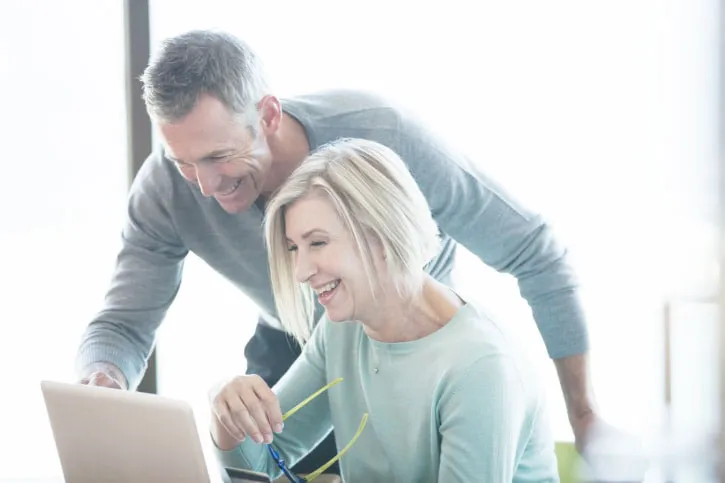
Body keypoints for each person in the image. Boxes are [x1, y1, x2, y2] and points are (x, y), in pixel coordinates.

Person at [75, 29, 597, 473]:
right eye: (184, 162)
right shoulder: (170, 190)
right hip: (319, 332)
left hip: (419, 334)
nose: (204, 187)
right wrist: (131, 391)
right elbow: (124, 327)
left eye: (218, 156)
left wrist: (583, 414)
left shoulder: (386, 136)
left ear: (269, 115)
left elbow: (535, 252)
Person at [209, 137, 560, 482]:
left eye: (317, 243)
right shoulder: (341, 331)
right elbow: (262, 464)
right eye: (293, 249)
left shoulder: (480, 366)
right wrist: (229, 413)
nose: (301, 272)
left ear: (381, 235)